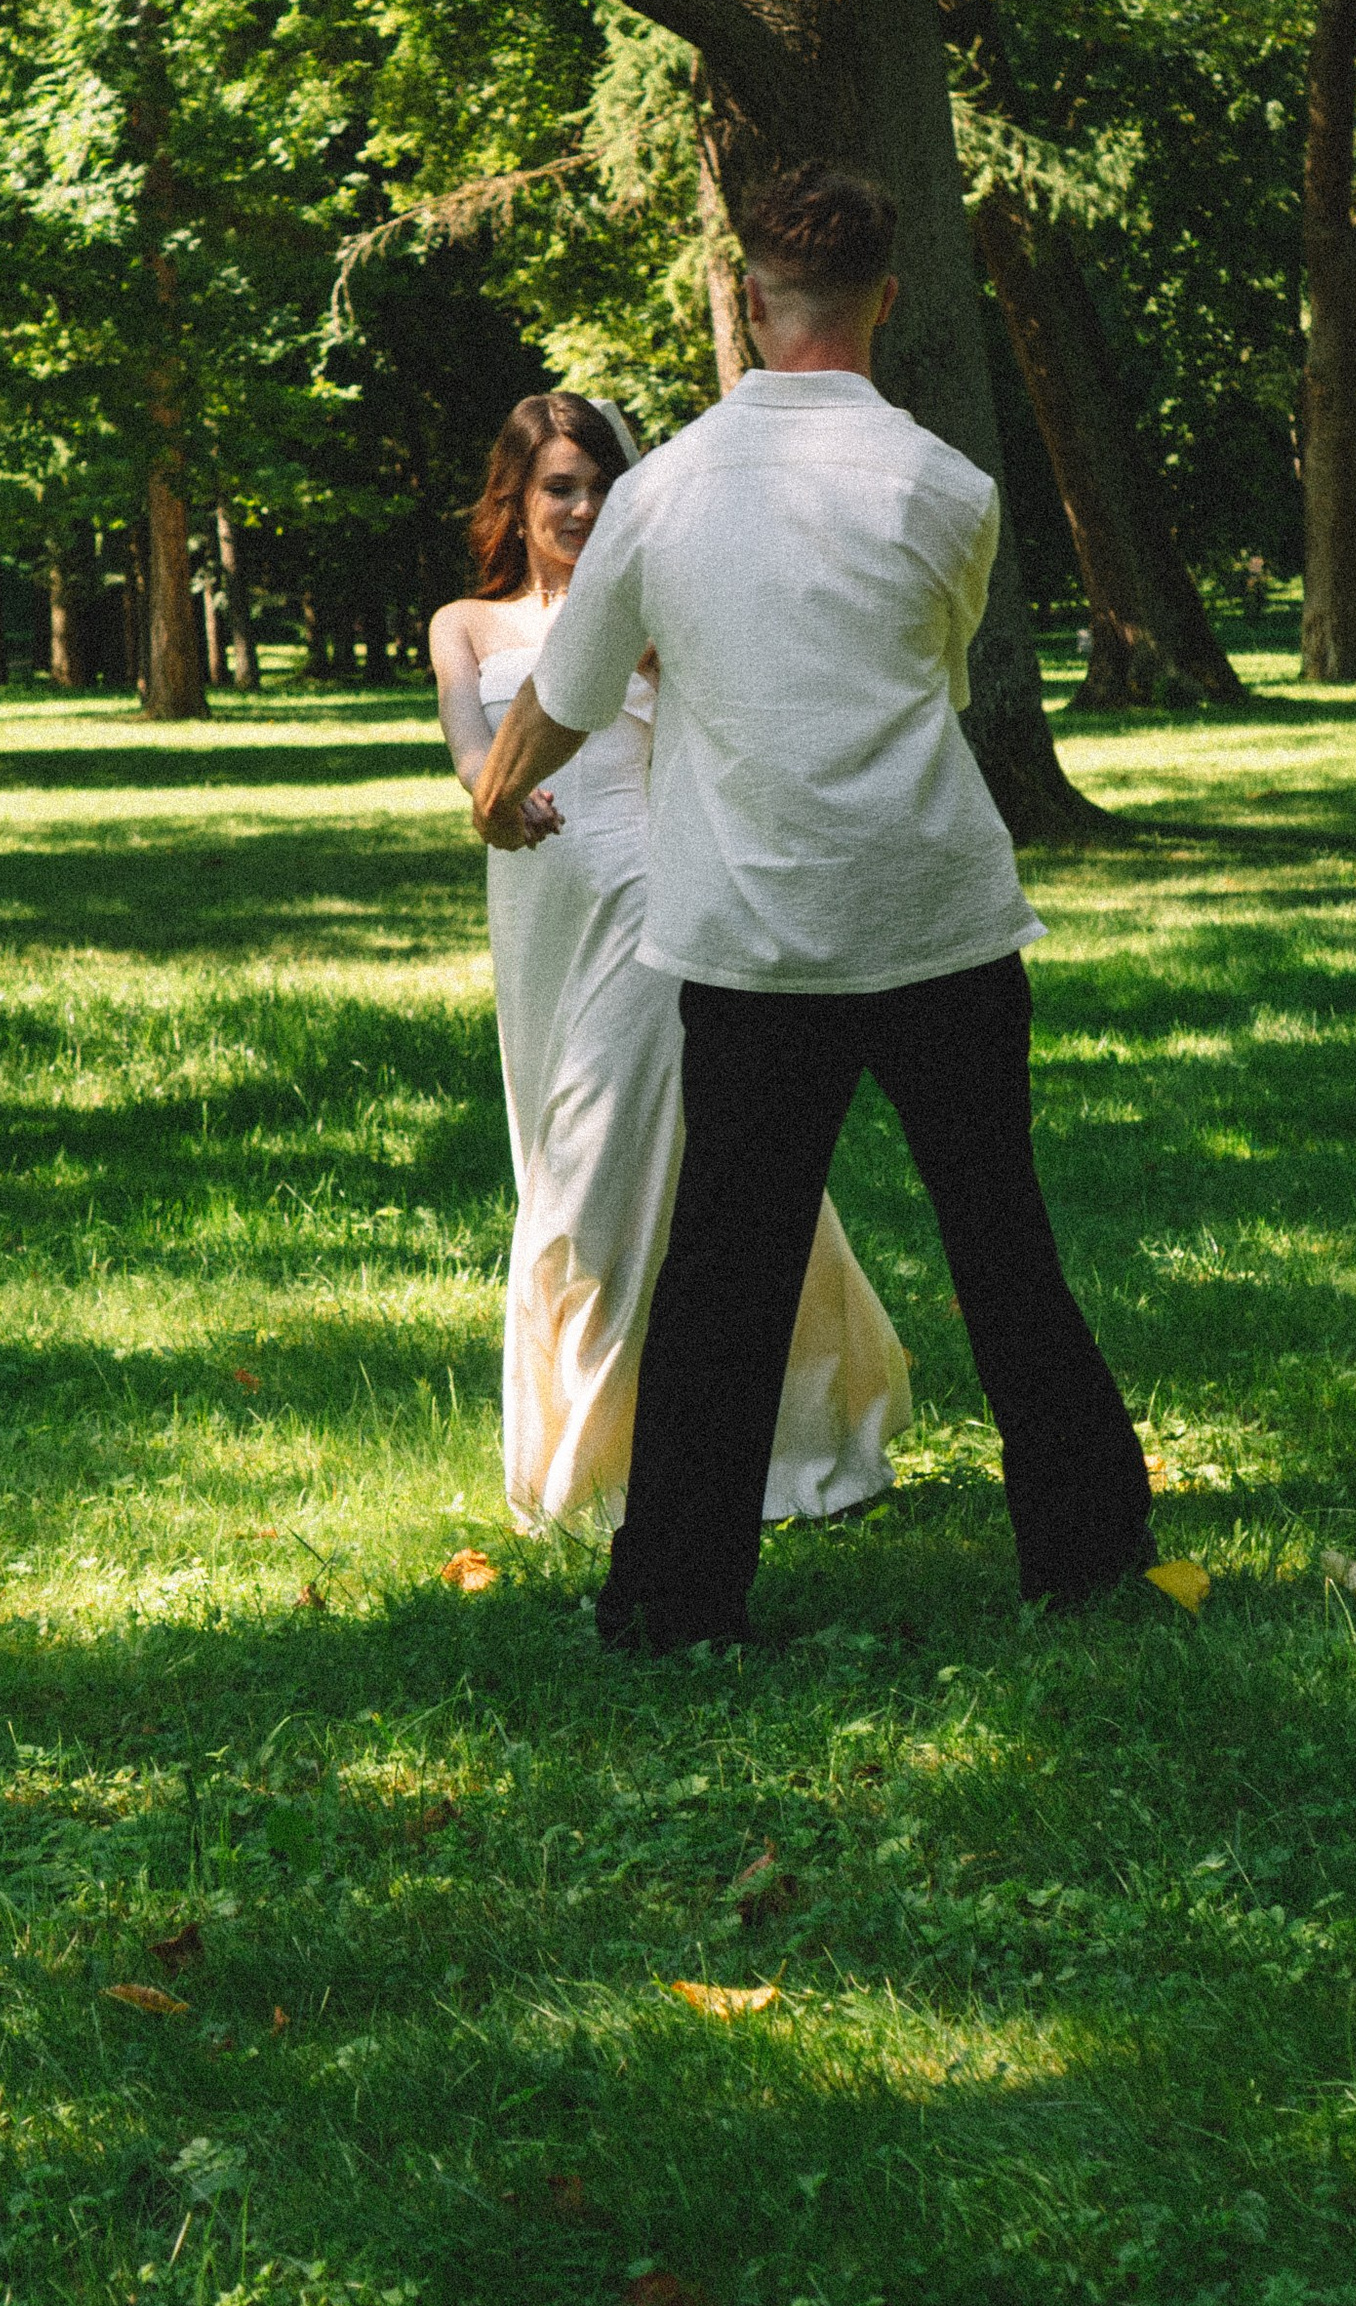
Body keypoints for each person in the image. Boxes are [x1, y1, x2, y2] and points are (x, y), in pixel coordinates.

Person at [473, 174, 1184, 1655]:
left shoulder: (660, 489)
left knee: (725, 1275)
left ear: (745, 298)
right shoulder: (947, 488)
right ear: (886, 302)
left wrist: (495, 790)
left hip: (756, 938)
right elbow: (932, 661)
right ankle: (1088, 1549)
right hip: (935, 915)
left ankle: (675, 1598)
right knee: (1003, 1241)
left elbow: (568, 695)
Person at [432, 389, 907, 1540]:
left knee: (601, 1184)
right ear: (518, 498)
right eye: (560, 487)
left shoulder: (656, 607)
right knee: (578, 1155)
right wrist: (494, 797)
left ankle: (624, 1472)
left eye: (601, 485)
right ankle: (685, 1444)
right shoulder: (465, 625)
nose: (585, 506)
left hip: (655, 903)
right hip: (539, 904)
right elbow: (469, 741)